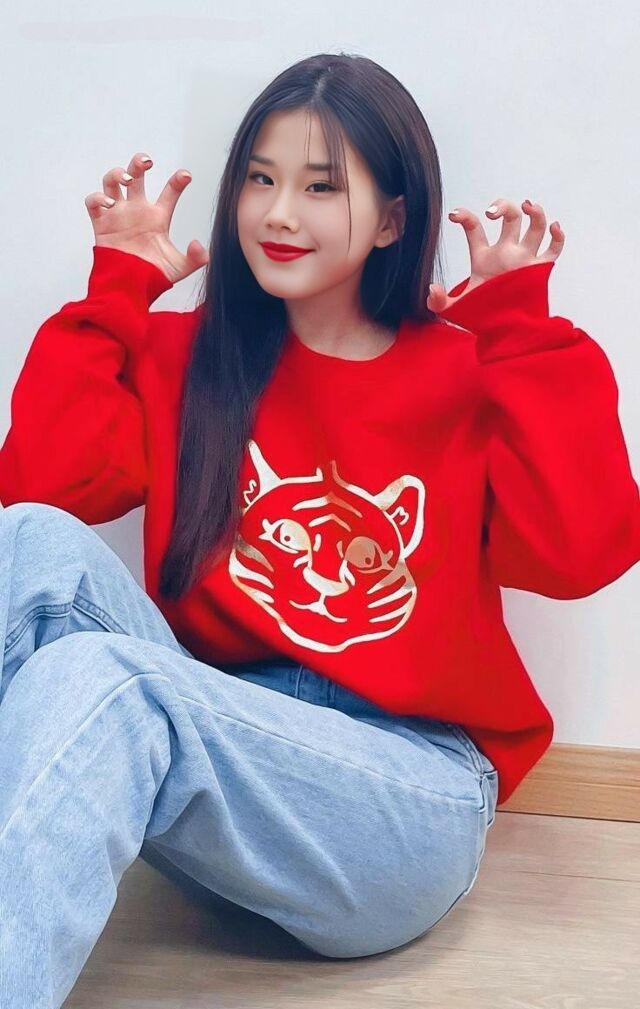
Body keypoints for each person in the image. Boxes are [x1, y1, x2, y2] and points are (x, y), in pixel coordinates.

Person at [0, 51, 638, 1008]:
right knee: (28, 546)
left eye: (320, 186)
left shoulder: (469, 370)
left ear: (393, 220)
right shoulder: (190, 354)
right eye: (260, 179)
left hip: (405, 797)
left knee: (109, 678)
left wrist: (516, 326)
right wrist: (116, 293)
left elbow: (580, 551)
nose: (279, 214)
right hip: (234, 768)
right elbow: (44, 488)